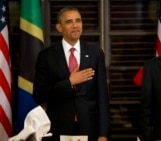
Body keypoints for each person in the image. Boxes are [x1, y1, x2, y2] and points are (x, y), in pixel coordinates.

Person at [33, 7, 110, 141]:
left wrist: (103, 134)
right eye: (69, 22)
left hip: (89, 127)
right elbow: (39, 94)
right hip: (58, 127)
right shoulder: (46, 56)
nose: (75, 25)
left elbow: (102, 97)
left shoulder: (95, 53)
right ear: (59, 27)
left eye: (78, 21)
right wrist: (69, 82)